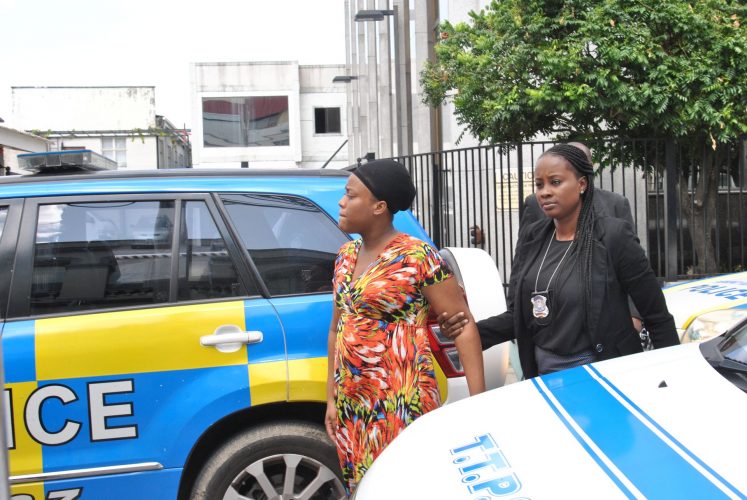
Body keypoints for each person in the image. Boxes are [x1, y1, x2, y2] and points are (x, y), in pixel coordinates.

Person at [438, 144, 678, 378]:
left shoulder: (613, 236)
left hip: (603, 374)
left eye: (555, 182)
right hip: (542, 375)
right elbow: (523, 314)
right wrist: (469, 331)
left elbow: (656, 315)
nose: (544, 192)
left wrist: (671, 378)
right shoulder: (533, 238)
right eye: (539, 184)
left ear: (582, 184)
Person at [325, 159, 486, 493]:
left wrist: (477, 402)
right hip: (353, 401)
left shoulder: (417, 256)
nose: (341, 202)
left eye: (350, 195)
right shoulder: (345, 255)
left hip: (400, 398)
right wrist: (331, 397)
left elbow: (463, 324)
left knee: (405, 486)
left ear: (379, 207)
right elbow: (336, 329)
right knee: (363, 486)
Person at [522, 142, 644, 334]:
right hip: (550, 320)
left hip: (605, 320)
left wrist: (634, 315)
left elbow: (634, 268)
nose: (545, 192)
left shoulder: (615, 205)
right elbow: (521, 266)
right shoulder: (534, 205)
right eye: (539, 184)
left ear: (584, 178)